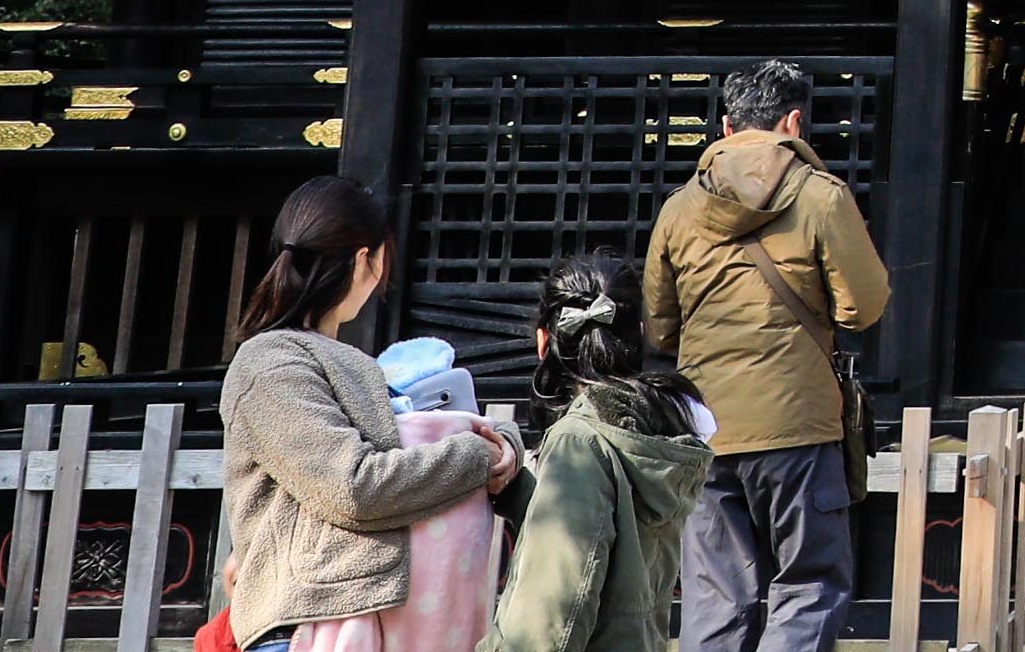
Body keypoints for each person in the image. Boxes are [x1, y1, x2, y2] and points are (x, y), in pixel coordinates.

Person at [644, 60, 890, 652]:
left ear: (725, 125)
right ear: (796, 121)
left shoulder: (679, 209)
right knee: (809, 582)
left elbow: (658, 324)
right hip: (797, 425)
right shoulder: (822, 198)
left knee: (715, 591)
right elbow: (864, 307)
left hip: (706, 426)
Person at [217, 178, 515, 652]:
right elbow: (353, 487)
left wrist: (503, 447)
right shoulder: (271, 362)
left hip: (360, 620)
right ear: (366, 261)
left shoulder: (333, 361)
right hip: (305, 626)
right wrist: (476, 457)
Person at [480, 254, 710, 652]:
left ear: (543, 342)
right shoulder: (654, 430)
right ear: (638, 332)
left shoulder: (581, 441)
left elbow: (549, 614)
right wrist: (521, 488)